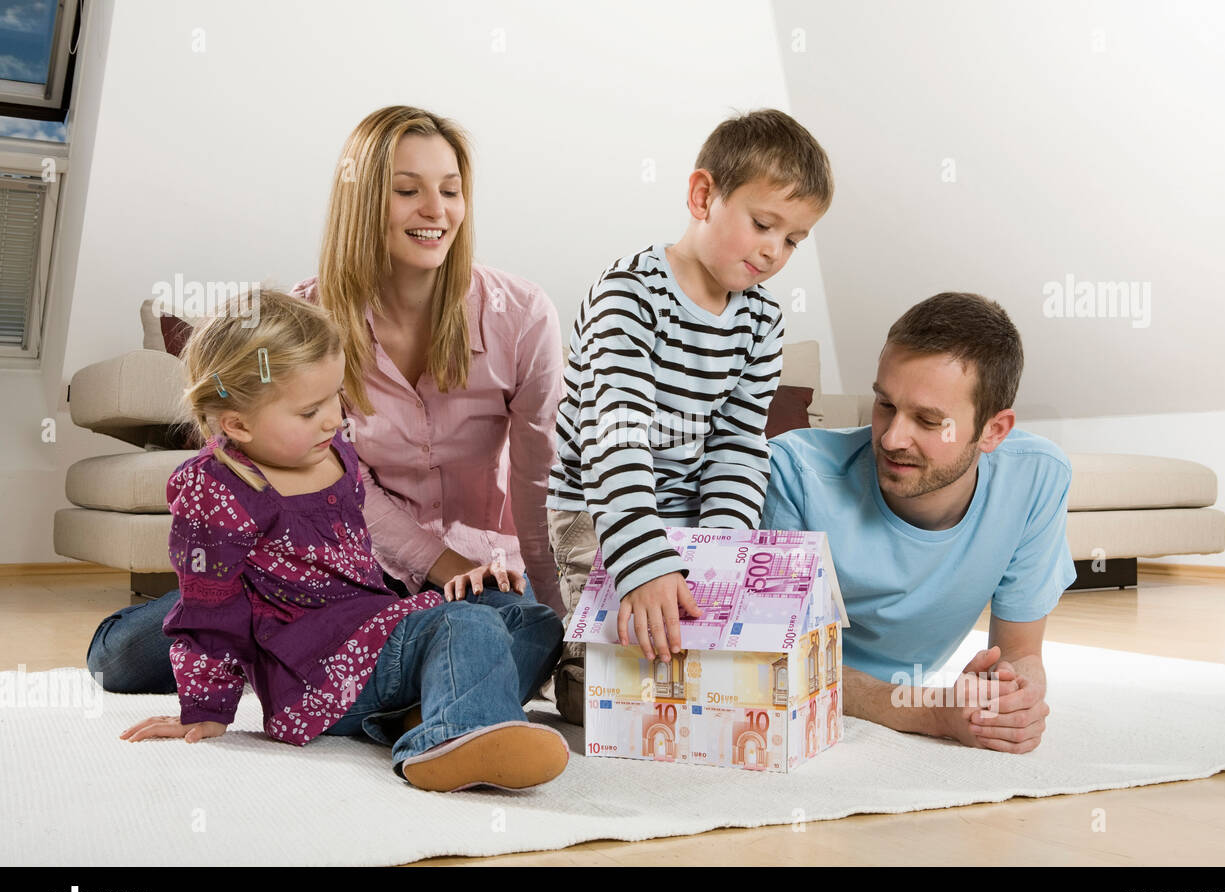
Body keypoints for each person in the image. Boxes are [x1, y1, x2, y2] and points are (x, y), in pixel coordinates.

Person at [88, 105, 565, 694]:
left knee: (530, 631)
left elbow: (541, 471)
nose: (436, 212)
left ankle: (368, 676)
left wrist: (550, 593)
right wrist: (440, 565)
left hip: (481, 572)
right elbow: (333, 474)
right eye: (407, 190)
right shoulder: (310, 320)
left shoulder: (520, 314)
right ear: (362, 201)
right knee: (126, 658)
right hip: (339, 567)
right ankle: (384, 678)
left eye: (451, 190)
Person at [118, 290, 568, 792]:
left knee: (535, 622)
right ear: (238, 424)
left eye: (335, 396)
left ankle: (418, 715)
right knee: (465, 625)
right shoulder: (218, 489)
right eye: (310, 411)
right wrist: (205, 708)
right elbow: (209, 610)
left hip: (375, 625)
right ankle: (452, 734)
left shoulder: (334, 449)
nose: (333, 418)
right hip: (319, 672)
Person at [546, 108, 834, 725]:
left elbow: (737, 443)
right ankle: (572, 670)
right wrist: (644, 562)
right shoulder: (629, 295)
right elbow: (614, 439)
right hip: (601, 506)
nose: (774, 251)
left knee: (697, 656)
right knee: (609, 687)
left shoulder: (762, 321)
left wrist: (719, 552)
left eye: (792, 240)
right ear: (703, 195)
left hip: (686, 507)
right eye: (764, 224)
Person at [761, 292, 1076, 755]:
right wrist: (929, 712)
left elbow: (1021, 653)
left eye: (928, 421)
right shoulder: (794, 473)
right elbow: (775, 662)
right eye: (885, 405)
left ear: (993, 431)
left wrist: (1011, 696)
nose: (891, 438)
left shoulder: (1037, 477)